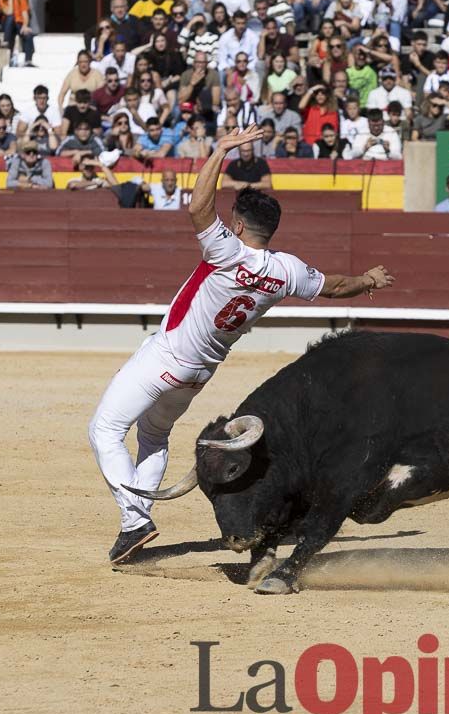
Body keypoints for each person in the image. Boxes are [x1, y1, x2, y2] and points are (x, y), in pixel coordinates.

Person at [87, 124, 395, 565]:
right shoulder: (285, 270)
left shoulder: (226, 253)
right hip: (198, 374)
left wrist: (222, 149)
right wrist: (368, 280)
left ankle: (135, 521)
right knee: (153, 435)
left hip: (166, 356)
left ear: (236, 225)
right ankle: (135, 521)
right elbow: (334, 285)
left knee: (104, 430)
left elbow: (197, 205)